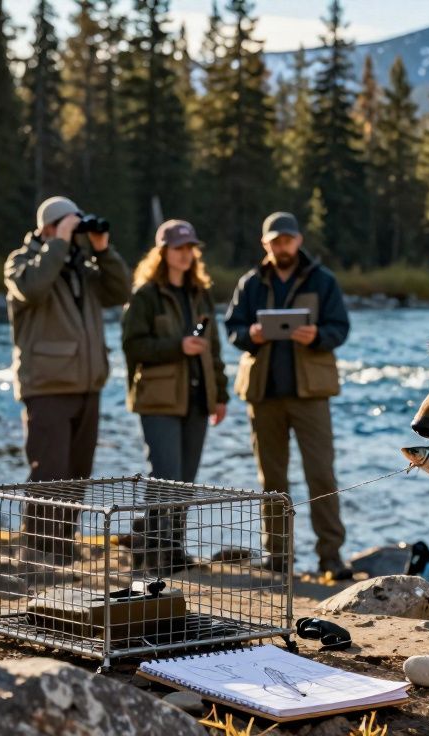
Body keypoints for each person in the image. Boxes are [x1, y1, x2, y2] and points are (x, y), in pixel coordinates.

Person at [225, 212, 351, 579]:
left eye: (287, 240)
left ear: (298, 241)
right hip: (263, 394)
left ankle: (331, 556)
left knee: (321, 475)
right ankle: (278, 557)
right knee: (272, 479)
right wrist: (250, 334)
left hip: (310, 394)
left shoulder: (323, 281)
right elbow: (233, 328)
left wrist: (317, 336)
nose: (282, 246)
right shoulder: (250, 283)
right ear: (265, 244)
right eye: (275, 241)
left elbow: (340, 328)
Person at [4, 196, 131, 561]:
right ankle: (38, 548)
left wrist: (103, 251)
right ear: (49, 229)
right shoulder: (22, 263)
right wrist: (58, 241)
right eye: (69, 228)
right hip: (47, 387)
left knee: (78, 474)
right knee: (50, 473)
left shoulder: (82, 269)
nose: (76, 236)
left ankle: (63, 544)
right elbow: (32, 288)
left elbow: (121, 292)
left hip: (88, 385)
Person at [122, 220, 229, 570]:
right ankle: (155, 552)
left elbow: (213, 349)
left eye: (189, 247)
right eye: (178, 247)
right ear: (163, 252)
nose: (185, 253)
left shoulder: (200, 292)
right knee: (164, 477)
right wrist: (177, 346)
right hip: (159, 400)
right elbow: (133, 346)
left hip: (198, 400)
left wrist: (221, 395)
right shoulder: (146, 295)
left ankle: (175, 551)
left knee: (185, 481)